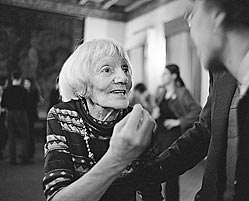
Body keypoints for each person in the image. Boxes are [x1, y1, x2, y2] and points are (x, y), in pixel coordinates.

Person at [134, 0, 249, 201]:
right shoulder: (219, 74)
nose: (191, 34)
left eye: (193, 15)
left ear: (218, 19)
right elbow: (206, 130)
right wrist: (154, 170)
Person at [42, 39, 162, 201]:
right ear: (82, 83)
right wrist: (117, 158)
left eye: (125, 69)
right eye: (107, 70)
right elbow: (56, 196)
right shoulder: (62, 115)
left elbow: (151, 190)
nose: (123, 78)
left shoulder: (138, 121)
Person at [152, 64, 201, 201]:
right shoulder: (161, 92)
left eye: (165, 74)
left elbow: (197, 111)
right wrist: (154, 114)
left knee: (171, 172)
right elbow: (157, 112)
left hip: (172, 136)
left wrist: (179, 121)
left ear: (174, 76)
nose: (162, 76)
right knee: (154, 170)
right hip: (159, 136)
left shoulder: (182, 92)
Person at [1, 71, 31, 165]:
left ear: (12, 78)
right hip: (21, 113)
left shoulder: (7, 90)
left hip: (10, 113)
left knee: (11, 135)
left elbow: (3, 104)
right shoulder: (23, 91)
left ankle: (12, 158)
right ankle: (24, 157)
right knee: (24, 135)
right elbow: (28, 104)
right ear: (20, 79)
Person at [23, 78, 40, 159]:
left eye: (27, 83)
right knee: (27, 133)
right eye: (25, 83)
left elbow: (34, 103)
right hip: (25, 114)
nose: (26, 85)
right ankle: (27, 151)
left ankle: (30, 151)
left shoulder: (34, 92)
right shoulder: (23, 92)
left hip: (31, 114)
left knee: (30, 133)